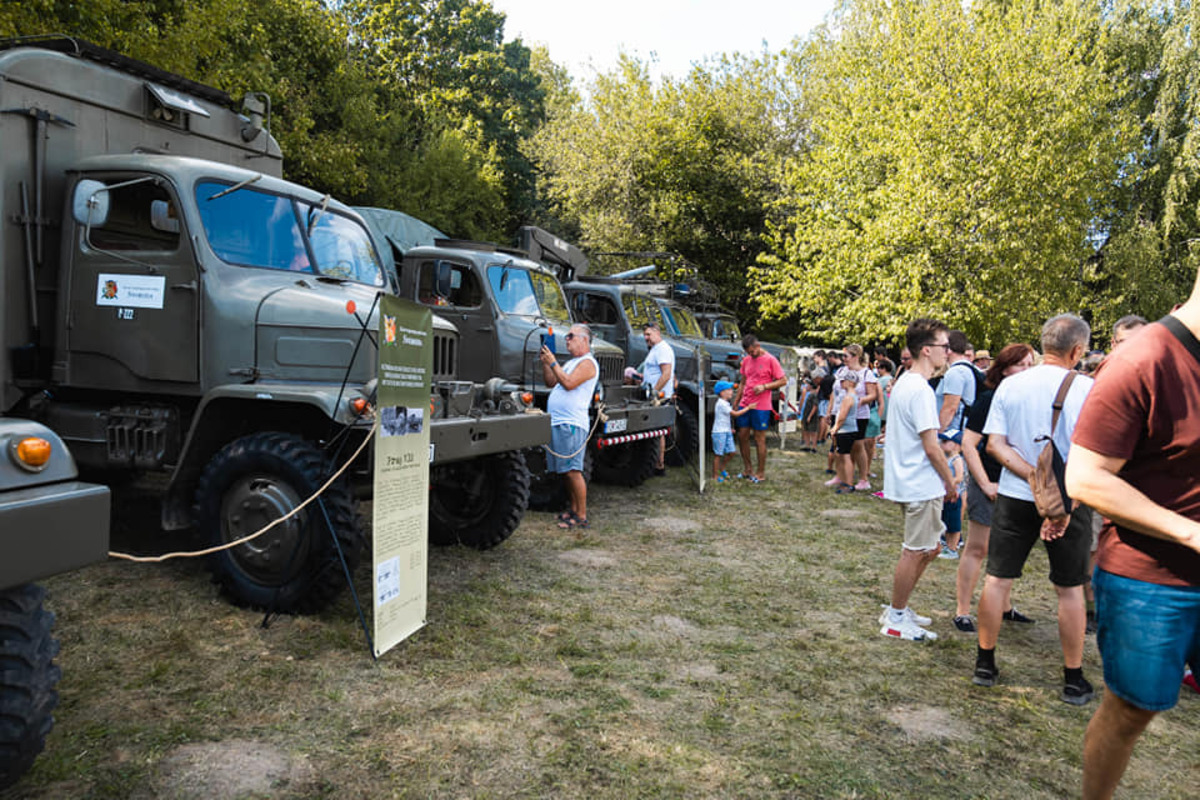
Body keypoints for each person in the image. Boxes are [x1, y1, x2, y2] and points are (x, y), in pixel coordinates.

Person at [1066, 287, 1200, 797]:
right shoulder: (1143, 359)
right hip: (1152, 582)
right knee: (1131, 712)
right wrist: (1190, 532)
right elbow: (1086, 478)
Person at [974, 314, 1095, 705]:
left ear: (1043, 344)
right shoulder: (1088, 389)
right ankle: (1073, 678)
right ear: (1077, 350)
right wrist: (1058, 491)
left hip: (1015, 494)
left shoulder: (1012, 385)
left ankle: (984, 663)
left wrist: (1031, 477)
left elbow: (995, 444)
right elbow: (1096, 454)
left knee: (997, 579)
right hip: (1070, 499)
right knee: (1070, 588)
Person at [880, 318, 959, 642]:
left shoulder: (906, 383)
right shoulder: (921, 390)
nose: (948, 352)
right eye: (944, 346)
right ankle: (896, 618)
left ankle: (899, 608)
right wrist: (950, 482)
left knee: (930, 548)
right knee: (915, 551)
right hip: (920, 483)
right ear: (926, 350)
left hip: (909, 481)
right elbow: (931, 446)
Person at [952, 343, 1037, 633]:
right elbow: (968, 444)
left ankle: (1004, 605)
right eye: (1020, 364)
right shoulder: (989, 398)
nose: (1025, 370)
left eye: (1030, 365)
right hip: (989, 480)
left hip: (1017, 485)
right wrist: (985, 483)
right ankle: (963, 611)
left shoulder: (1031, 400)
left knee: (1009, 550)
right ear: (1003, 368)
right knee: (978, 547)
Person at [541, 324, 599, 530]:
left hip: (572, 423)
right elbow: (550, 382)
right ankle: (573, 509)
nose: (566, 339)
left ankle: (581, 515)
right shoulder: (571, 362)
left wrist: (553, 362)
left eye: (571, 336)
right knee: (565, 471)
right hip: (559, 421)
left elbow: (569, 383)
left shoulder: (588, 363)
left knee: (573, 470)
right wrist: (547, 363)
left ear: (584, 340)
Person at [733, 334, 786, 483]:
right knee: (742, 436)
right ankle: (747, 469)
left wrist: (765, 386)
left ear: (758, 346)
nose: (751, 354)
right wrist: (736, 401)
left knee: (759, 439)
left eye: (752, 351)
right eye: (748, 352)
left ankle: (760, 472)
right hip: (745, 403)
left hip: (761, 406)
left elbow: (783, 380)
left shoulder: (771, 360)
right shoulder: (746, 360)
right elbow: (743, 382)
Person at [834, 344, 880, 490]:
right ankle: (841, 475)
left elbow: (873, 395)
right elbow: (835, 392)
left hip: (859, 415)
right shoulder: (841, 371)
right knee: (839, 445)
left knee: (858, 445)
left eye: (846, 356)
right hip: (841, 412)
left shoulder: (866, 373)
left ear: (855, 357)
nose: (843, 359)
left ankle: (863, 478)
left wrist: (860, 400)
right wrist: (832, 410)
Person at [642, 323, 675, 475]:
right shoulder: (655, 349)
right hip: (654, 395)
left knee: (658, 431)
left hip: (659, 397)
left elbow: (666, 374)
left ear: (657, 332)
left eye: (648, 334)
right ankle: (657, 464)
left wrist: (654, 392)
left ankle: (659, 465)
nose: (646, 338)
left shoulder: (662, 349)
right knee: (657, 431)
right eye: (645, 335)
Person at [936, 330, 983, 433]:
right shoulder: (972, 369)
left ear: (948, 350)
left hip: (953, 433)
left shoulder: (955, 372)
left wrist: (936, 434)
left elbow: (950, 409)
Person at [828, 371, 861, 494]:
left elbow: (842, 416)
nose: (841, 383)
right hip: (850, 429)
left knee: (845, 457)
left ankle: (848, 484)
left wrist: (835, 428)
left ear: (850, 382)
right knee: (843, 456)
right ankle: (845, 481)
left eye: (843, 381)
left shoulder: (848, 398)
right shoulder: (854, 396)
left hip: (845, 430)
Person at [710, 380, 748, 482]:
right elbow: (735, 414)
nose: (732, 392)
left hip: (726, 431)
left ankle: (722, 467)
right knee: (718, 454)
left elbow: (724, 418)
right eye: (729, 390)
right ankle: (715, 476)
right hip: (719, 432)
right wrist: (748, 408)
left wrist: (729, 428)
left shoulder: (725, 403)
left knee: (732, 452)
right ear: (722, 393)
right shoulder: (721, 404)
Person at [937, 430, 966, 559]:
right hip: (944, 495)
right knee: (944, 520)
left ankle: (952, 549)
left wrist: (949, 483)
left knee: (953, 524)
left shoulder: (957, 459)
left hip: (953, 496)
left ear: (957, 445)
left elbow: (959, 477)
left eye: (945, 441)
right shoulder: (945, 458)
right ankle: (945, 545)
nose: (941, 443)